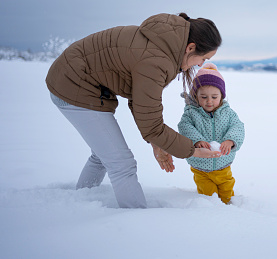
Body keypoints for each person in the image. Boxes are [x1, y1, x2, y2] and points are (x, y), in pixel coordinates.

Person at [46, 13, 223, 208]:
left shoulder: (161, 44)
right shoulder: (157, 60)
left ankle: (81, 201)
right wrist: (192, 151)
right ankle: (135, 220)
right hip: (74, 84)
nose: (200, 65)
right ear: (191, 47)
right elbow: (152, 125)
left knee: (103, 154)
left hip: (78, 81)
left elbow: (139, 100)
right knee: (121, 163)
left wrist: (156, 143)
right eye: (203, 58)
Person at [178, 63, 245, 204]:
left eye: (214, 97)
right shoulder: (191, 113)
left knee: (227, 191)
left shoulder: (228, 113)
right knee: (208, 196)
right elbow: (184, 127)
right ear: (195, 95)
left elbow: (238, 127)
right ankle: (212, 215)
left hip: (223, 164)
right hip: (201, 167)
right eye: (203, 97)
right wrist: (196, 140)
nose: (209, 101)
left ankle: (230, 209)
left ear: (221, 96)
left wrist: (230, 140)